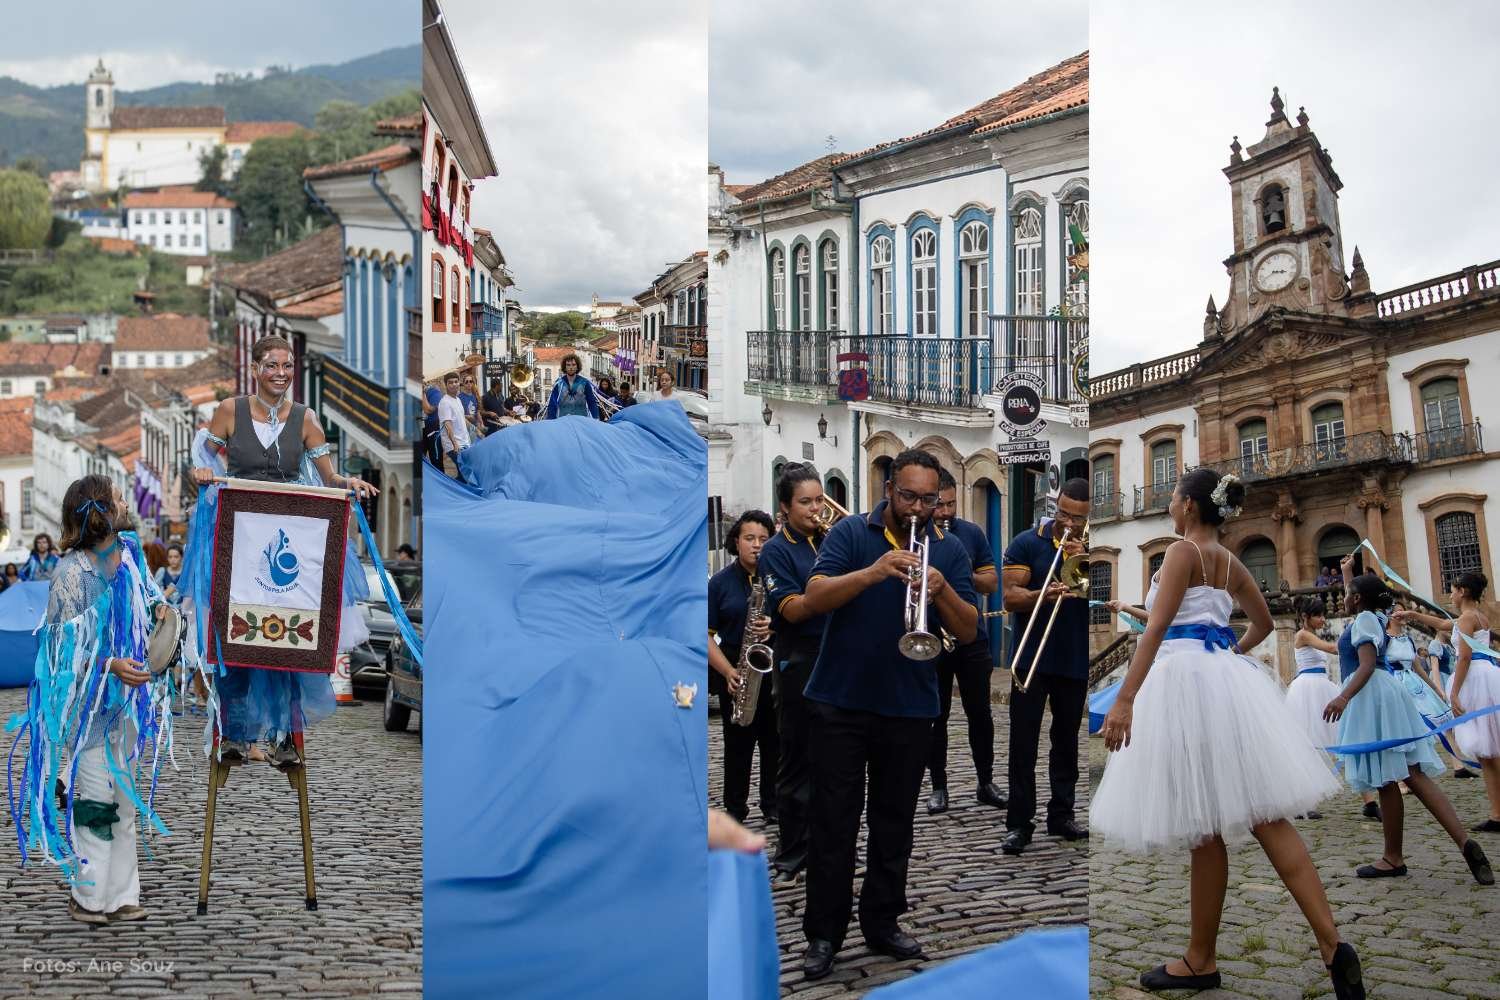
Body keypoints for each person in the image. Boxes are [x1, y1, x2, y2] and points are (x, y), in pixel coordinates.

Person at [1092, 469, 1364, 997]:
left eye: (1173, 495)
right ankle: (1332, 944)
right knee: (1266, 816)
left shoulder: (1179, 554)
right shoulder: (1231, 562)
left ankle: (1201, 958)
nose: (1170, 502)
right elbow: (1260, 624)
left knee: (1204, 828)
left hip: (1182, 685)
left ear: (1190, 507)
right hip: (1224, 683)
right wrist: (1228, 656)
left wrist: (1124, 698)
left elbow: (1155, 629)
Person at [797, 449, 978, 979]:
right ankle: (824, 934)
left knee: (894, 823)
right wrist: (874, 572)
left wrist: (941, 591)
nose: (919, 508)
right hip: (840, 701)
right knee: (833, 824)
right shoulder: (851, 534)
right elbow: (815, 594)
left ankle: (882, 921)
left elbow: (967, 631)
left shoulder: (950, 551)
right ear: (888, 491)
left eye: (930, 499)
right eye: (909, 496)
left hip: (909, 706)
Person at [189, 334, 378, 767]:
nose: (281, 373)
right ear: (255, 368)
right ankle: (235, 735)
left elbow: (328, 477)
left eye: (288, 366)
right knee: (236, 639)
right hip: (240, 542)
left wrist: (347, 482)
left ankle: (285, 738)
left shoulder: (307, 419)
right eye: (272, 365)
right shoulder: (228, 412)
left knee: (291, 642)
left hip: (291, 538)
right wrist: (201, 471)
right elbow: (204, 459)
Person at [29, 475, 168, 923]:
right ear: (101, 512)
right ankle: (88, 898)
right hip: (89, 714)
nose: (126, 501)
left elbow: (149, 603)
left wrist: (160, 609)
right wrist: (109, 665)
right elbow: (58, 652)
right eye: (118, 496)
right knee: (94, 803)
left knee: (124, 801)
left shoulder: (129, 557)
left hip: (125, 708)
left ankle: (123, 895)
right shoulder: (71, 575)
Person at [1325, 560, 1492, 884]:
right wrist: (1349, 574)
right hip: (1391, 693)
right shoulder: (1377, 616)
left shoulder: (1362, 619)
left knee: (1389, 780)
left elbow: (1367, 664)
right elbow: (1356, 599)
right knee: (1413, 774)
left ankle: (1393, 857)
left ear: (1357, 599)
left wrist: (1343, 697)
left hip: (1371, 696)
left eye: (1350, 593)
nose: (1345, 596)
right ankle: (1463, 840)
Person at [1000, 478, 1092, 855]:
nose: (1068, 523)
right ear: (1056, 505)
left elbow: (1098, 593)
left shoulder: (1091, 547)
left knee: (1067, 741)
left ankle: (1062, 814)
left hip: (1072, 656)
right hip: (1031, 656)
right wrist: (1042, 593)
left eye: (1078, 518)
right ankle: (1019, 823)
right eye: (1064, 514)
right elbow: (1009, 597)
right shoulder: (1027, 541)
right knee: (1023, 742)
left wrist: (1083, 554)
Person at [757, 463, 831, 879]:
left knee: (834, 761)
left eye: (819, 500)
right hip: (798, 660)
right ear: (784, 508)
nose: (815, 509)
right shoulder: (778, 549)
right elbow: (791, 609)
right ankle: (793, 848)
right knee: (797, 760)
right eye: (805, 502)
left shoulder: (828, 540)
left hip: (834, 655)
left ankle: (826, 843)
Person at [1396, 571, 1500, 831]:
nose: (1450, 595)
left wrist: (1453, 693)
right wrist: (1413, 615)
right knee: (1490, 751)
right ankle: (1497, 812)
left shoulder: (1466, 619)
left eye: (1452, 590)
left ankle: (1497, 814)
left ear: (1463, 591)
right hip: (1487, 676)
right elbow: (1443, 625)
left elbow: (1463, 657)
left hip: (1475, 679)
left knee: (1489, 753)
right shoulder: (1478, 617)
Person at [927, 468, 1005, 814]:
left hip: (970, 636)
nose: (945, 512)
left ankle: (985, 781)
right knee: (936, 715)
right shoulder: (918, 535)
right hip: (929, 635)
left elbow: (990, 582)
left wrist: (957, 574)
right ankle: (939, 786)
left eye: (951, 504)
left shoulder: (970, 534)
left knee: (980, 714)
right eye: (939, 505)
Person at [708, 510, 779, 825]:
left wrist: (774, 627)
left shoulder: (777, 577)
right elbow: (704, 636)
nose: (757, 545)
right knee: (737, 744)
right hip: (735, 663)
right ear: (736, 541)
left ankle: (773, 804)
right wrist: (728, 672)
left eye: (764, 539)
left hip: (772, 664)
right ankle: (735, 809)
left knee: (775, 742)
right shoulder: (720, 583)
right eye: (749, 538)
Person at [1284, 596, 1341, 820]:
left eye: (1323, 614)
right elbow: (1330, 648)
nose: (1323, 619)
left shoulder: (1311, 634)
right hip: (1307, 691)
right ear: (1306, 617)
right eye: (1318, 615)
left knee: (1331, 739)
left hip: (1321, 687)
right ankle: (1302, 801)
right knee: (1308, 745)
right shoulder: (1303, 634)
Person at [545, 354, 601, 420]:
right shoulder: (559, 383)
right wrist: (551, 420)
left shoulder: (584, 382)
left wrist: (596, 418)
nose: (571, 367)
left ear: (577, 367)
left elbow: (591, 402)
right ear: (564, 367)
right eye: (568, 365)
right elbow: (552, 403)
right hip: (563, 420)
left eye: (573, 365)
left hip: (581, 420)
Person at [438, 372, 471, 481]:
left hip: (464, 442)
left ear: (459, 383)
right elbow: (448, 425)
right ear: (445, 385)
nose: (454, 384)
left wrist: (477, 430)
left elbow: (461, 418)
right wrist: (455, 444)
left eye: (456, 382)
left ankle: (458, 492)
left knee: (464, 472)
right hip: (454, 445)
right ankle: (457, 493)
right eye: (450, 382)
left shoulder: (458, 400)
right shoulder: (445, 403)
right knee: (465, 472)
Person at [154, 542, 185, 606]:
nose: (173, 560)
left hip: (183, 609)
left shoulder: (185, 573)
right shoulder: (162, 571)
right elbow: (157, 591)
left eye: (176, 557)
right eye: (170, 557)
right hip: (166, 609)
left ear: (181, 557)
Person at [421, 379, 444, 466]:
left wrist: (422, 393)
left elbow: (428, 410)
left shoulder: (434, 393)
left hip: (432, 429)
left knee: (436, 460)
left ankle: (439, 478)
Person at [459, 372, 484, 441]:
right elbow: (458, 415)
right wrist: (468, 416)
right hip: (466, 428)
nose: (469, 383)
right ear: (463, 384)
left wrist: (481, 422)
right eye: (466, 382)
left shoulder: (474, 396)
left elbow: (477, 411)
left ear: (473, 383)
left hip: (476, 426)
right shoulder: (459, 397)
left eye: (471, 381)